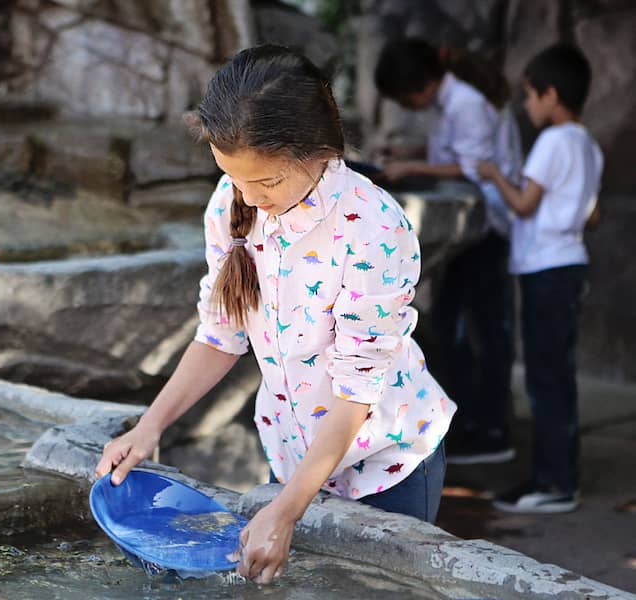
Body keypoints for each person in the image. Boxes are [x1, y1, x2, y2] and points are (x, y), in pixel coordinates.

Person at [95, 45, 457, 584]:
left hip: (387, 463)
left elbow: (357, 390)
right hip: (291, 456)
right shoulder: (231, 202)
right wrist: (149, 427)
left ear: (318, 151)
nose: (248, 196)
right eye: (234, 177)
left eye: (266, 183)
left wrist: (286, 511)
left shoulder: (375, 228)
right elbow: (220, 336)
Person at [374, 39, 521, 465]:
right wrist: (411, 153)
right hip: (477, 228)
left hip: (485, 226)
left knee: (477, 328)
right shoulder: (453, 101)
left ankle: (490, 430)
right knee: (457, 323)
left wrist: (412, 168)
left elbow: (474, 166)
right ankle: (473, 423)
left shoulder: (466, 103)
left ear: (415, 86)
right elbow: (458, 152)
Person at [477, 43, 602, 514]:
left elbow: (524, 204)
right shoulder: (588, 144)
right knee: (557, 376)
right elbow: (592, 216)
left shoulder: (552, 142)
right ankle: (557, 476)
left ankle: (553, 483)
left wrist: (494, 175)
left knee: (546, 379)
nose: (528, 106)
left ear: (550, 94)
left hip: (546, 267)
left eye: (530, 96)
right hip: (570, 262)